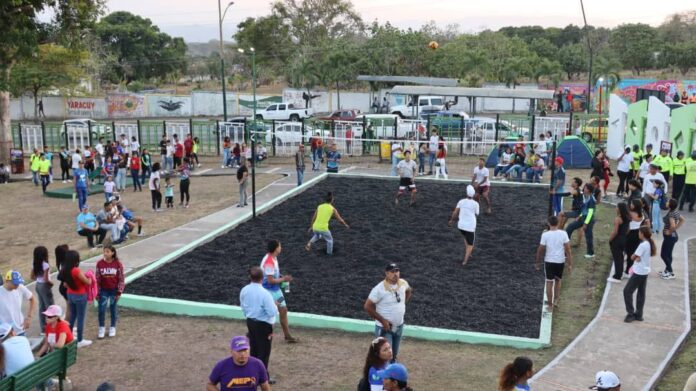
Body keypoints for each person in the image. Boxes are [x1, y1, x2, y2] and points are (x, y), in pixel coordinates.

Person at [364, 263, 412, 363]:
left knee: (393, 356)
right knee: (384, 358)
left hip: (399, 326)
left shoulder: (403, 283)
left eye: (397, 271)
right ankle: (380, 377)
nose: (395, 274)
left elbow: (409, 290)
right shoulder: (379, 289)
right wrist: (382, 320)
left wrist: (403, 304)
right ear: (387, 273)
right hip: (385, 328)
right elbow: (367, 306)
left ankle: (390, 377)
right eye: (392, 271)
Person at [239, 266, 279, 378]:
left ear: (250, 278)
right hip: (264, 325)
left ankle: (252, 373)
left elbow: (243, 306)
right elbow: (271, 312)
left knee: (254, 349)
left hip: (250, 322)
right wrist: (275, 306)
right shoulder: (265, 294)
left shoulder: (244, 290)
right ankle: (262, 377)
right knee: (264, 352)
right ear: (262, 278)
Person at [260, 240, 298, 343]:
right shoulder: (269, 262)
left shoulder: (273, 258)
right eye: (280, 246)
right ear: (276, 248)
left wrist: (281, 277)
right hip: (268, 292)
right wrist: (284, 279)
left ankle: (287, 335)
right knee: (270, 313)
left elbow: (274, 276)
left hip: (276, 291)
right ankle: (265, 336)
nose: (281, 247)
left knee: (283, 309)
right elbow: (270, 280)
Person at [207, 335, 271, 391]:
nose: (242, 354)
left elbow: (265, 386)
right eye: (239, 351)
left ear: (249, 349)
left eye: (245, 350)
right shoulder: (221, 366)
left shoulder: (258, 365)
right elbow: (210, 385)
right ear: (231, 351)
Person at [535, 216, 572, 313]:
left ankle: (550, 306)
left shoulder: (545, 235)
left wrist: (538, 262)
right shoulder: (563, 234)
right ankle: (556, 300)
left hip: (549, 261)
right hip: (560, 261)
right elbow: (568, 250)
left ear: (549, 224)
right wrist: (569, 264)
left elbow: (540, 249)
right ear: (558, 223)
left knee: (549, 282)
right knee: (558, 280)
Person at [59, 250, 92, 347]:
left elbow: (65, 284)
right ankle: (80, 340)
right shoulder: (76, 270)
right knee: (81, 318)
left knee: (72, 317)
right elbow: (87, 282)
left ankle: (68, 338)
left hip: (70, 295)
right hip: (80, 296)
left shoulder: (64, 269)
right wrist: (90, 277)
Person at [624, 227, 655, 323]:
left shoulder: (642, 245)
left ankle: (630, 314)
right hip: (645, 272)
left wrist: (635, 257)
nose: (638, 234)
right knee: (641, 293)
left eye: (639, 232)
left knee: (627, 291)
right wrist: (638, 257)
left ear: (642, 234)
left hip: (639, 272)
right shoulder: (649, 243)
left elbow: (632, 257)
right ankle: (639, 314)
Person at [448, 185, 479, 265]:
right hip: (470, 226)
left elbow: (455, 212)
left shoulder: (461, 201)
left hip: (461, 225)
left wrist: (451, 220)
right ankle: (465, 261)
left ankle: (468, 253)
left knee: (465, 237)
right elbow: (477, 213)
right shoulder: (475, 204)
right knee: (470, 245)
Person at [565, 183, 597, 258]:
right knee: (570, 227)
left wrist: (586, 223)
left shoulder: (591, 200)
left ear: (588, 190)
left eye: (585, 188)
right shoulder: (585, 197)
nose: (583, 188)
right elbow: (584, 209)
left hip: (588, 220)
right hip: (582, 218)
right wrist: (579, 216)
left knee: (588, 236)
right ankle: (566, 247)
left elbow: (590, 212)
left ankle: (590, 253)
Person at [0, 271, 36, 336]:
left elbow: (32, 299)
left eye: (18, 283)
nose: (17, 285)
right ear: (7, 281)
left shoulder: (20, 287)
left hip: (20, 329)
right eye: (15, 283)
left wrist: (29, 317)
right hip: (6, 333)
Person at [659, 199, 685, 280]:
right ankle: (667, 270)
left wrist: (670, 231)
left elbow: (673, 225)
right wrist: (674, 230)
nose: (666, 203)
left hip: (670, 237)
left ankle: (670, 272)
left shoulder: (671, 214)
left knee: (663, 254)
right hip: (673, 236)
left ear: (670, 205)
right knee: (668, 254)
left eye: (667, 202)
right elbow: (682, 220)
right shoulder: (675, 211)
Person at [30, 246, 54, 332]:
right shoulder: (45, 265)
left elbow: (32, 277)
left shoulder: (34, 263)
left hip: (38, 285)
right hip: (45, 286)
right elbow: (46, 279)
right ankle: (52, 327)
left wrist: (38, 278)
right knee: (50, 306)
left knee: (42, 307)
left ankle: (43, 329)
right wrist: (52, 283)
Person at [607, 202, 631, 283]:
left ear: (620, 209)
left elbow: (615, 231)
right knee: (620, 257)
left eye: (617, 207)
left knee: (617, 258)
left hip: (617, 240)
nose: (616, 208)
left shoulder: (618, 219)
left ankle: (617, 276)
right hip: (624, 239)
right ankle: (619, 273)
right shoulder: (627, 218)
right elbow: (628, 230)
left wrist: (610, 239)